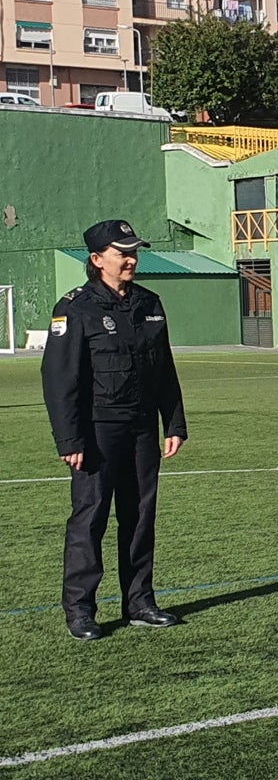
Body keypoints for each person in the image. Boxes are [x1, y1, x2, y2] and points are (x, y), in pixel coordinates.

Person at [41, 220, 188, 640]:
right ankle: (80, 612)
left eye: (133, 251)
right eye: (121, 252)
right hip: (96, 431)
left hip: (141, 427)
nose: (130, 259)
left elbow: (164, 368)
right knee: (90, 518)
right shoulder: (75, 307)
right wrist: (69, 439)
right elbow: (59, 379)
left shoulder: (149, 303)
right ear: (96, 259)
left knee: (140, 516)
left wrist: (173, 421)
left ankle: (139, 602)